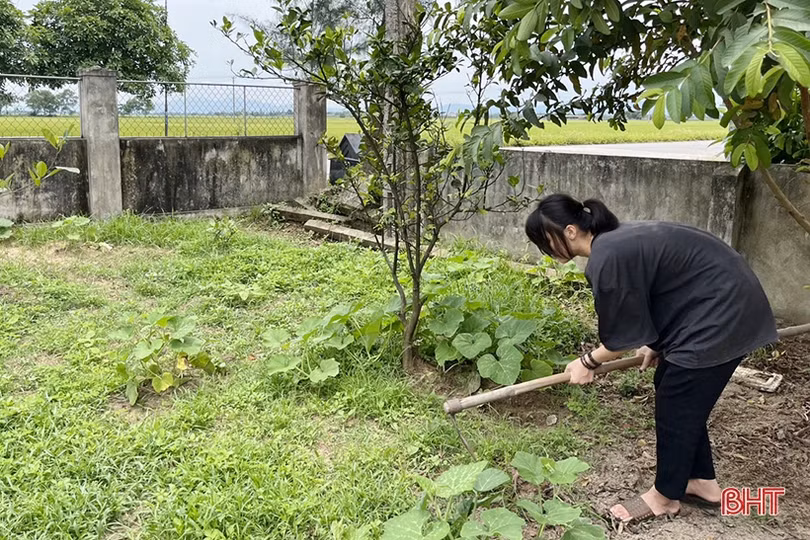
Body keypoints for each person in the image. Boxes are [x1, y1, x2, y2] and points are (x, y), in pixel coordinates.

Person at [524, 193, 778, 524]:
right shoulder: (617, 241)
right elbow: (661, 290)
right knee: (673, 387)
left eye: (545, 241)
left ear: (569, 231)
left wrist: (587, 362)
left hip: (722, 315)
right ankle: (701, 483)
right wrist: (657, 343)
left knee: (678, 395)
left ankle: (664, 498)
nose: (546, 250)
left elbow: (620, 337)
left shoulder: (606, 257)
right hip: (720, 305)